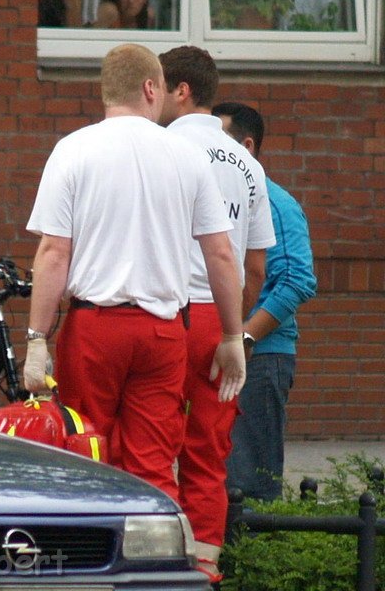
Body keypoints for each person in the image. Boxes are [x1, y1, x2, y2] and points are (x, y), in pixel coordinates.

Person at [22, 43, 246, 508]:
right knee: (154, 464)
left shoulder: (72, 150)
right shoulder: (186, 157)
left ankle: (87, 571)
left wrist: (36, 338)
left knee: (87, 456)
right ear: (149, 87)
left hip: (93, 329)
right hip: (163, 331)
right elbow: (221, 255)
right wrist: (230, 334)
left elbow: (52, 252)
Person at [158, 46, 276, 583]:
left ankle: (151, 566)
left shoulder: (159, 149)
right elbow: (254, 265)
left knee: (150, 446)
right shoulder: (248, 165)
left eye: (158, 86)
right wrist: (234, 327)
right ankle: (204, 572)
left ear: (181, 90)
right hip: (219, 321)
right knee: (208, 454)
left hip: (162, 313)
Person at [215, 101, 318, 502]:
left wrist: (243, 338)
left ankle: (252, 559)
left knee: (249, 482)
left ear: (247, 145)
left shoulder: (277, 203)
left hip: (262, 357)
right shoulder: (218, 199)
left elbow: (298, 281)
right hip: (229, 350)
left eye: (220, 140)